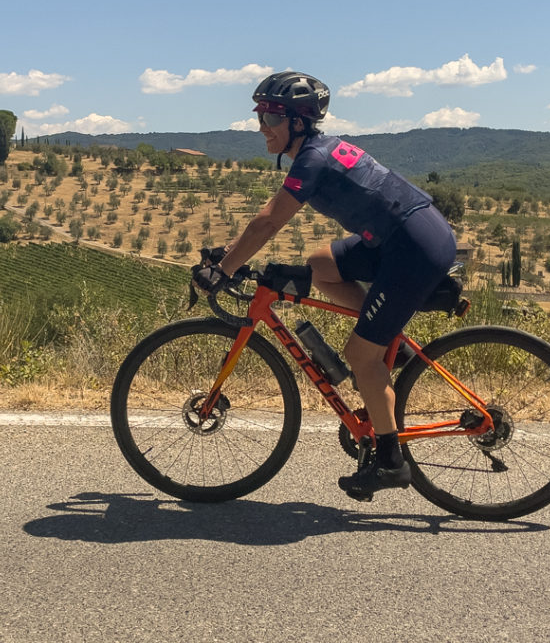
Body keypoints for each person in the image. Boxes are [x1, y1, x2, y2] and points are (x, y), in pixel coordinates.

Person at [193, 70, 457, 501]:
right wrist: (230, 254)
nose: (262, 128)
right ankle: (395, 346)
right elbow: (265, 220)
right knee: (320, 264)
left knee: (360, 355)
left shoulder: (313, 158)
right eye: (260, 116)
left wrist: (223, 270)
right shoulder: (314, 151)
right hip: (399, 237)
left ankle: (391, 462)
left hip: (414, 247)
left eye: (271, 118)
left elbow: (269, 221)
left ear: (298, 121)